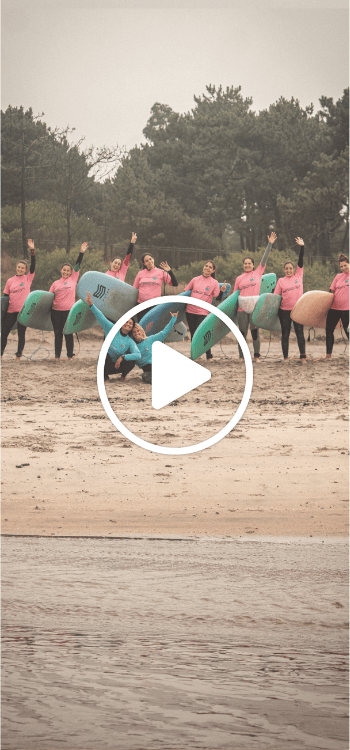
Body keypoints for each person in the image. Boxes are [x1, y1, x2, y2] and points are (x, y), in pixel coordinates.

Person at [233, 232, 277, 363]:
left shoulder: (258, 273)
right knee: (242, 334)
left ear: (253, 265)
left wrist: (270, 244)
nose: (247, 265)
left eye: (249, 263)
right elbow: (235, 296)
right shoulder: (239, 278)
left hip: (254, 309)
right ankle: (242, 356)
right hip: (241, 311)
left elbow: (264, 259)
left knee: (254, 333)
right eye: (245, 263)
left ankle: (256, 356)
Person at [85, 292, 141, 381]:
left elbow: (138, 355)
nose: (128, 324)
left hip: (118, 365)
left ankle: (123, 375)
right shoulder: (112, 329)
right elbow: (101, 317)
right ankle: (104, 375)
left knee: (132, 360)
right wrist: (91, 305)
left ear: (131, 328)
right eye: (126, 322)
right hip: (106, 363)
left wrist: (123, 357)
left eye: (131, 324)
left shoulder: (130, 341)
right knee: (105, 354)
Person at [49, 242, 88, 359]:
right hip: (56, 312)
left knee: (68, 333)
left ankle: (70, 355)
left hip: (69, 312)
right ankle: (57, 356)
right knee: (57, 334)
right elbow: (49, 297)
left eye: (68, 270)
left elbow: (77, 265)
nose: (65, 272)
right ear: (61, 270)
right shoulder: (55, 283)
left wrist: (81, 252)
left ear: (71, 272)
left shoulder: (73, 279)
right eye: (64, 270)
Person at [184, 260, 227, 360]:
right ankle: (195, 354)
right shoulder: (195, 279)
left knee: (203, 333)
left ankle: (208, 355)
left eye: (210, 267)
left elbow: (217, 299)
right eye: (206, 266)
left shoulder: (214, 283)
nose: (207, 268)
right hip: (190, 310)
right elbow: (185, 293)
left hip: (202, 311)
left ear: (213, 270)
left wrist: (222, 292)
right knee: (193, 333)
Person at [274, 237, 307, 364]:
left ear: (294, 269)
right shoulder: (281, 281)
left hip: (298, 310)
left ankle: (303, 357)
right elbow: (276, 297)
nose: (288, 270)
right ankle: (286, 358)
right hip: (284, 311)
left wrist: (302, 247)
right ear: (284, 270)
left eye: (290, 268)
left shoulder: (298, 275)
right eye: (286, 268)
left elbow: (300, 261)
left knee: (300, 333)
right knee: (285, 334)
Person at [2, 239, 36, 359]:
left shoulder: (28, 278)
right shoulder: (10, 281)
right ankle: (0, 354)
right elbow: (5, 298)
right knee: (4, 332)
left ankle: (18, 355)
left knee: (21, 334)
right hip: (11, 311)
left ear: (25, 270)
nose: (20, 269)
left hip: (23, 312)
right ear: (16, 267)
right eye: (19, 267)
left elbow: (33, 265)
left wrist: (32, 250)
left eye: (23, 268)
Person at [131, 313, 178, 383]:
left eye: (138, 331)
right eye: (134, 332)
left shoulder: (150, 339)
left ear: (141, 331)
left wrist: (173, 319)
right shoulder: (132, 346)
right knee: (144, 376)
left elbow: (164, 333)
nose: (136, 333)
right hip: (148, 371)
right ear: (132, 334)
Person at [133, 253, 178, 320]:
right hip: (141, 305)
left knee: (153, 328)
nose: (149, 261)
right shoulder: (140, 273)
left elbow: (175, 284)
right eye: (146, 261)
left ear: (153, 259)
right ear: (144, 264)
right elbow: (134, 288)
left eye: (150, 259)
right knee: (141, 327)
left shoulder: (161, 272)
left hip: (155, 306)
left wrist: (169, 271)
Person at [325, 254, 349, 359]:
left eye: (345, 265)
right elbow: (331, 291)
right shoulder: (338, 276)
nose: (343, 268)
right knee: (329, 330)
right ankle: (328, 354)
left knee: (348, 331)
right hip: (334, 308)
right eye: (341, 266)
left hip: (347, 309)